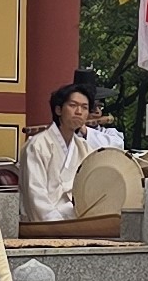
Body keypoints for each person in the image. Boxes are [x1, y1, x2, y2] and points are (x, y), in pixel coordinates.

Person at [21, 84, 98, 222]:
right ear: (58, 110)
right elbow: (35, 192)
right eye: (73, 105)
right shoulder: (37, 146)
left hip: (76, 219)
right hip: (43, 221)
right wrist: (55, 222)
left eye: (84, 107)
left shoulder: (85, 149)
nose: (79, 111)